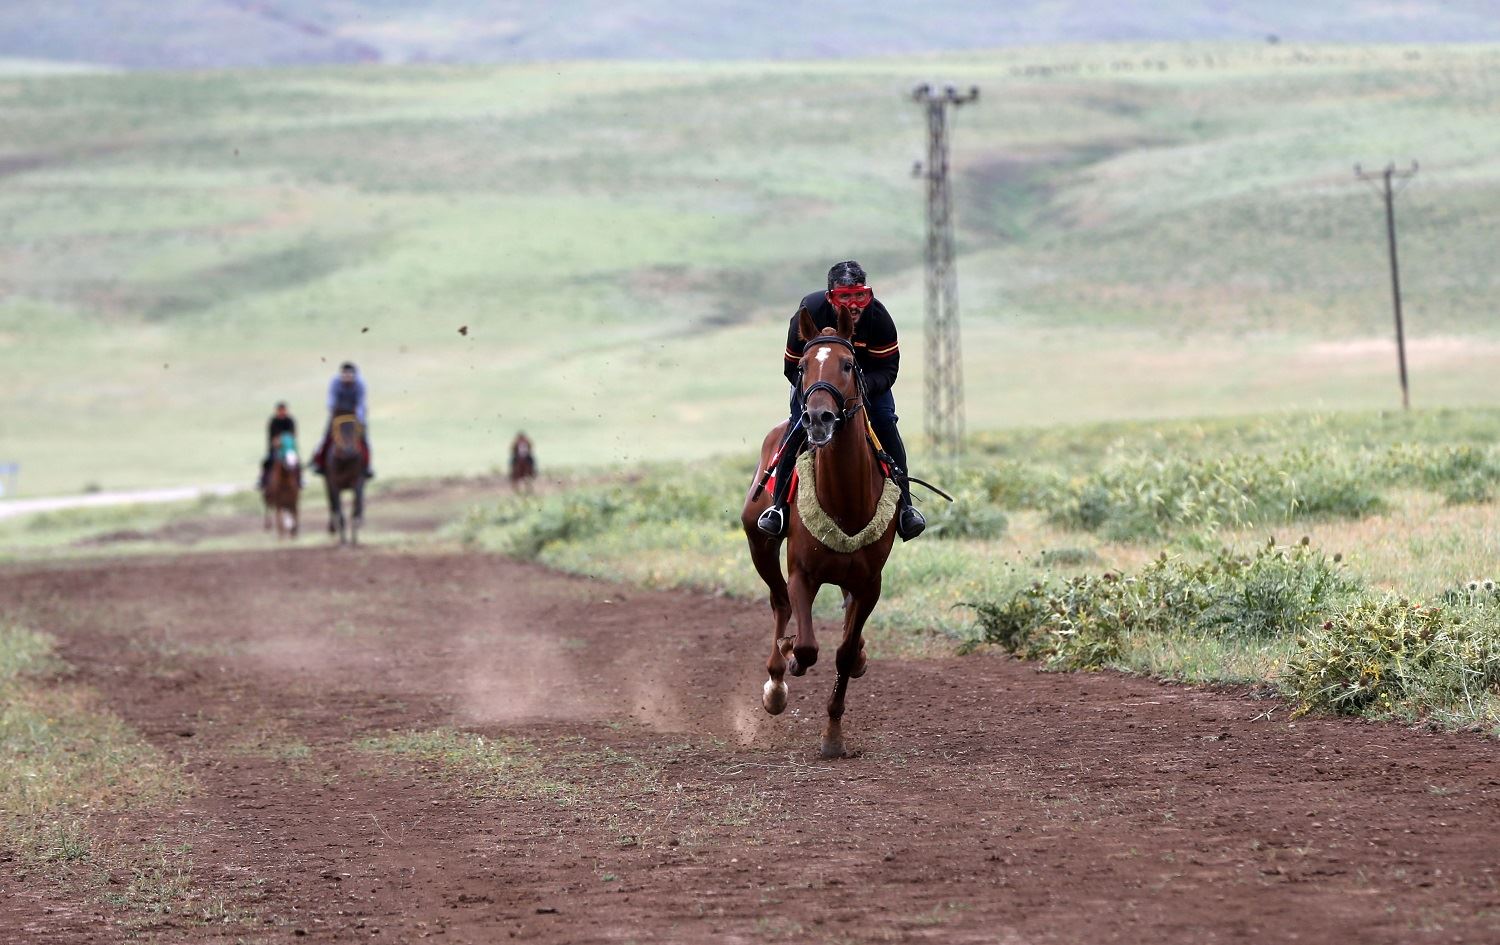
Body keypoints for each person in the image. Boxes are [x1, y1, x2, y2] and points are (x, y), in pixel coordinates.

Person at [756, 260, 925, 541]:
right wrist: (816, 394)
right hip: (814, 385)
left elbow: (888, 370)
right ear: (830, 297)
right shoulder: (808, 313)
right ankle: (778, 509)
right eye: (845, 297)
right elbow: (791, 367)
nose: (854, 305)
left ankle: (906, 508)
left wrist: (857, 390)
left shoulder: (879, 319)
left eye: (860, 295)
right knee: (797, 427)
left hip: (865, 385)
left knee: (885, 423)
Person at [313, 361, 374, 478]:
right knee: (327, 438)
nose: (347, 378)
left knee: (364, 440)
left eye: (350, 375)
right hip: (338, 415)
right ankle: (320, 464)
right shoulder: (335, 382)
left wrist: (359, 420)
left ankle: (367, 466)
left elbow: (361, 403)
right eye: (345, 375)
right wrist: (333, 411)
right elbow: (331, 400)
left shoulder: (360, 384)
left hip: (355, 416)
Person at [258, 401, 300, 489]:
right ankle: (263, 481)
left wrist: (286, 441)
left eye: (283, 410)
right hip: (276, 448)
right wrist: (276, 442)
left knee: (297, 463)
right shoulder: (273, 421)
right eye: (280, 410)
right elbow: (271, 437)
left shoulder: (290, 421)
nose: (282, 412)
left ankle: (299, 480)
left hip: (288, 449)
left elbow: (293, 434)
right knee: (266, 462)